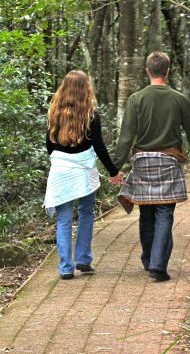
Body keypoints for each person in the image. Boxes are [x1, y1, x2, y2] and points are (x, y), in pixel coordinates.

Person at [111, 52, 190, 282]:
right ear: (168, 71)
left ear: (147, 71)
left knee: (146, 212)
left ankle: (150, 260)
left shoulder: (136, 99)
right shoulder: (180, 99)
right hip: (169, 161)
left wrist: (116, 167)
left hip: (142, 162)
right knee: (164, 213)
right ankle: (157, 265)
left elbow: (126, 136)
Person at [44, 70, 123, 280]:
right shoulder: (91, 115)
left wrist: (64, 160)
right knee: (86, 212)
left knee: (64, 219)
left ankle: (66, 268)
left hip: (60, 171)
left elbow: (49, 146)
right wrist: (113, 171)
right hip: (84, 170)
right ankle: (83, 259)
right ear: (85, 88)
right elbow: (99, 147)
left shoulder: (54, 112)